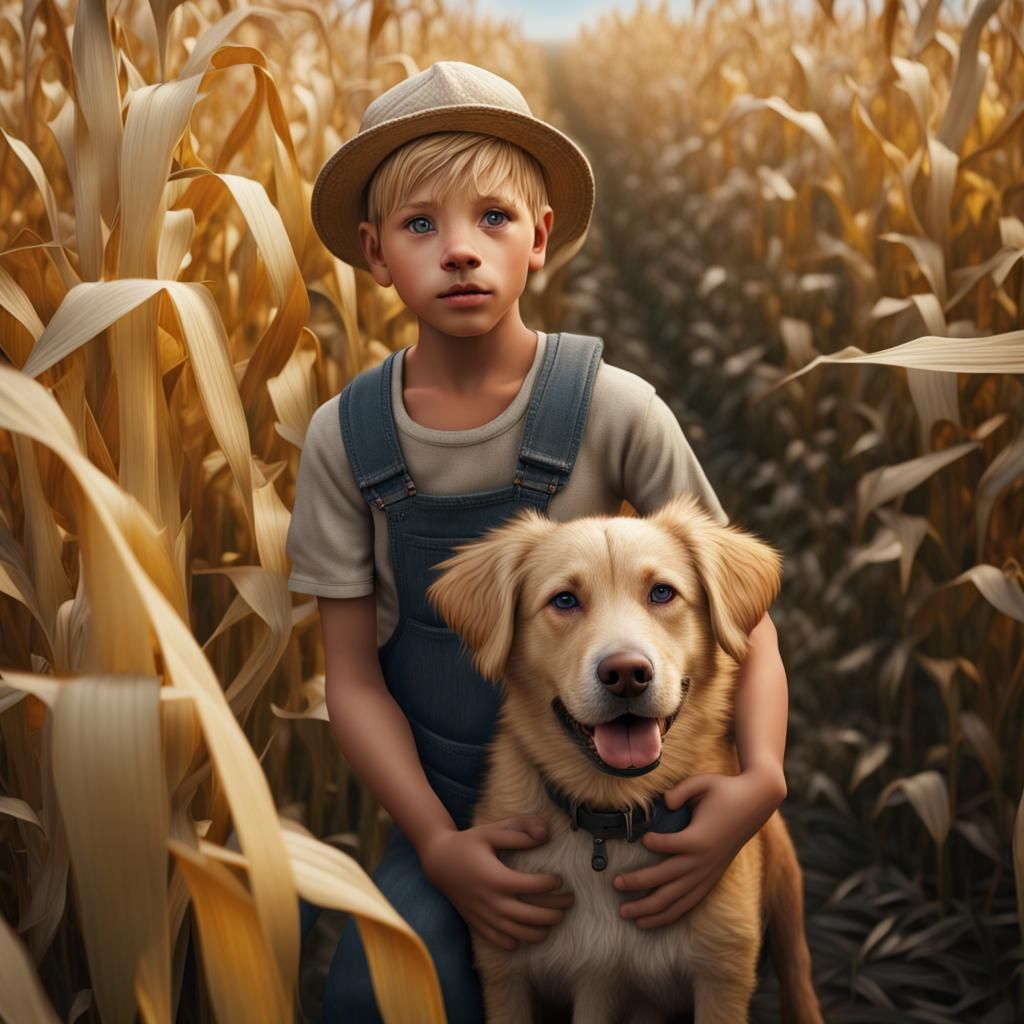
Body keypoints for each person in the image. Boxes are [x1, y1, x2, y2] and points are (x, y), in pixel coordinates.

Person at [287, 60, 790, 1022]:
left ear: (541, 240)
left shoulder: (615, 408)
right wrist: (439, 847)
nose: (460, 251)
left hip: (652, 791)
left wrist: (759, 779)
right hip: (451, 808)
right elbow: (348, 677)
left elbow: (744, 622)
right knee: (372, 996)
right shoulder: (344, 439)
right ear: (374, 252)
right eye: (420, 224)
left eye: (494, 218)